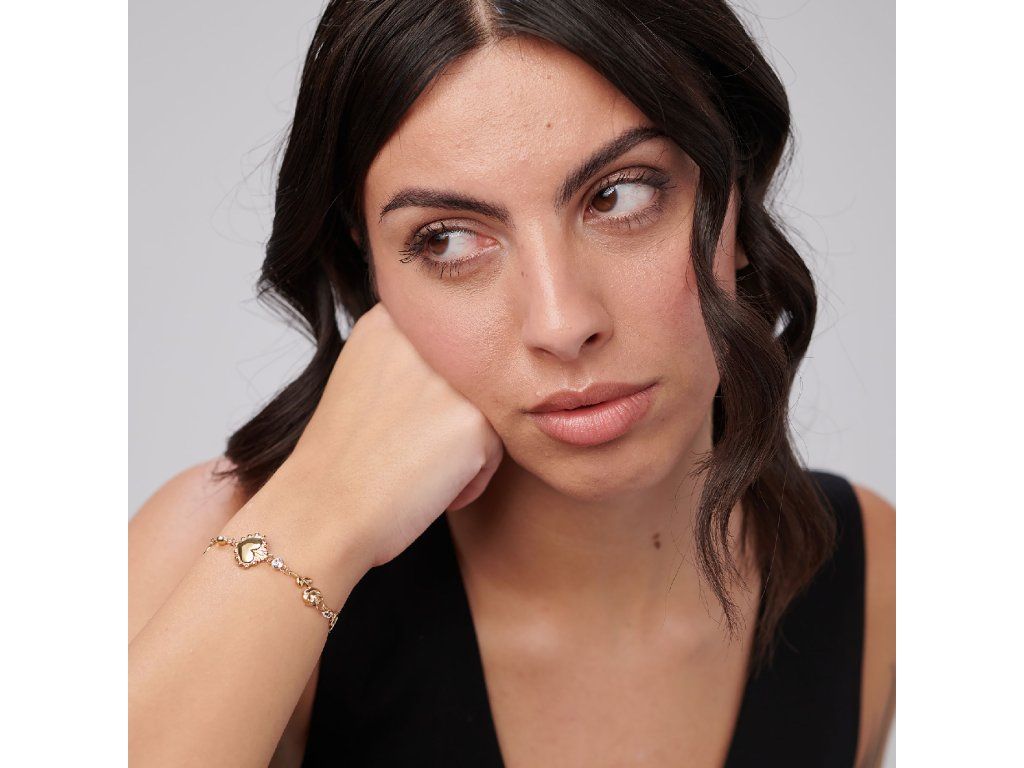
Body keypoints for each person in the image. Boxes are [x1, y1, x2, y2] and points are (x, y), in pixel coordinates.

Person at [128, 2, 896, 766]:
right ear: (371, 269)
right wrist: (319, 520)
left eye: (619, 195)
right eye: (448, 239)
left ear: (737, 188)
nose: (562, 322)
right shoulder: (216, 551)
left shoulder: (872, 574)